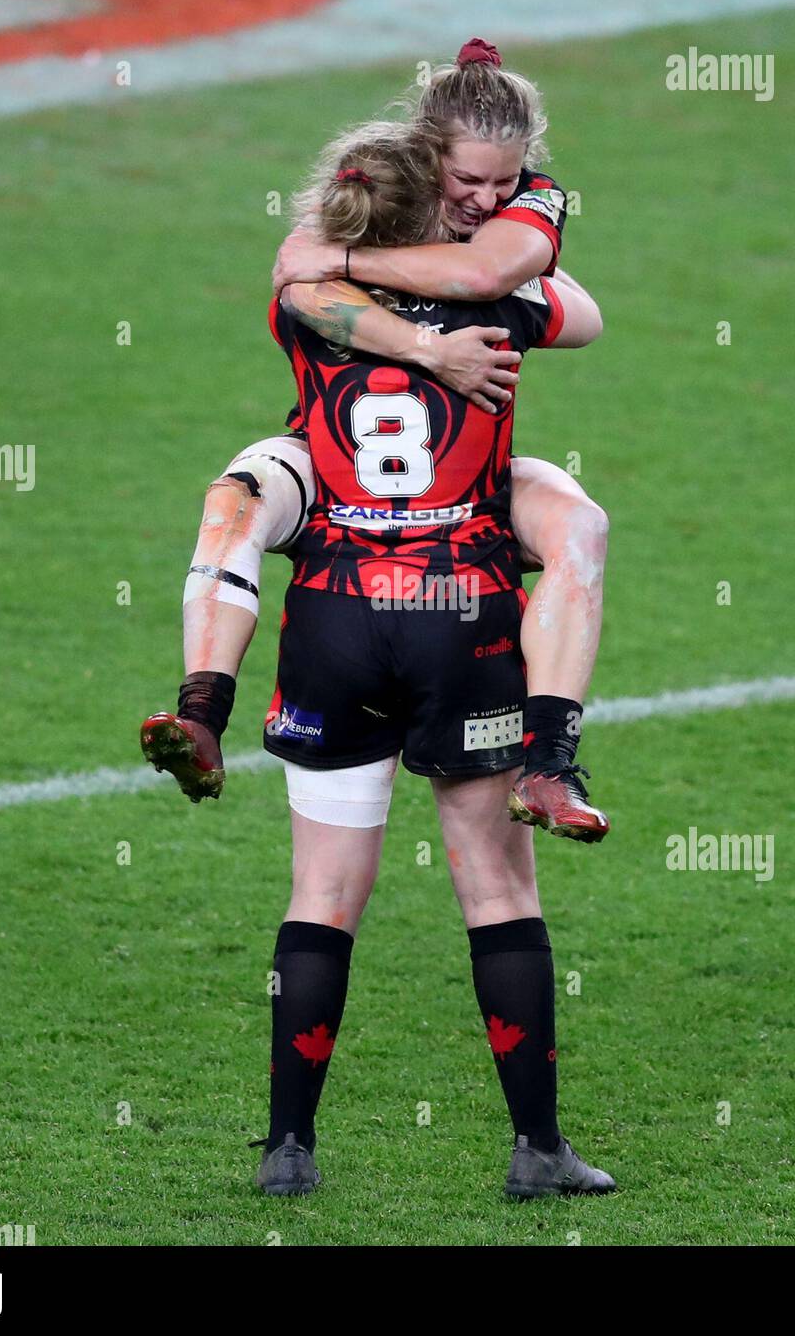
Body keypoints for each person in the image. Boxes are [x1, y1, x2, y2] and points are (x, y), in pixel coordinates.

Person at [239, 120, 616, 1198]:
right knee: (496, 886)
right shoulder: (503, 301)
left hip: (336, 608)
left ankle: (286, 1149)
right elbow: (580, 315)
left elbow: (303, 277)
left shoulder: (305, 300)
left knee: (322, 891)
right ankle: (537, 1147)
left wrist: (338, 250)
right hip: (462, 608)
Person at [141, 40, 611, 842]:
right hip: (337, 473)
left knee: (579, 522)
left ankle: (551, 760)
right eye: (469, 181)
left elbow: (486, 279)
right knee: (238, 496)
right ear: (429, 158)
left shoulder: (519, 213)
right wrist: (430, 342)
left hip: (448, 484)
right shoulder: (373, 221)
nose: (491, 198)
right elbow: (531, 299)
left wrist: (354, 266)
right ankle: (201, 713)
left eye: (507, 180)